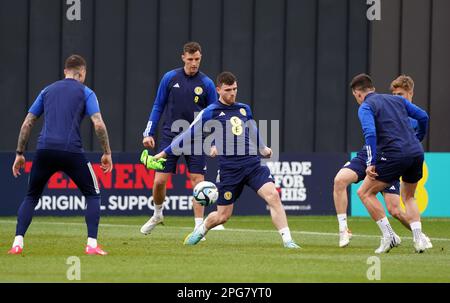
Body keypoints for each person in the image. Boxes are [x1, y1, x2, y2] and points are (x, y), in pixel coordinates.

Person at [150, 71, 300, 249]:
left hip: (252, 165)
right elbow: (187, 135)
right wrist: (164, 153)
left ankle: (288, 241)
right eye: (228, 89)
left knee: (273, 196)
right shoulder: (210, 112)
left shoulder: (244, 108)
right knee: (222, 216)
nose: (233, 93)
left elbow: (252, 129)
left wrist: (263, 147)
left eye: (235, 89)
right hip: (230, 170)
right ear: (218, 89)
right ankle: (201, 230)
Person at [8, 54, 113, 255]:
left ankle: (17, 243)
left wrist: (20, 153)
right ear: (82, 74)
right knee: (93, 194)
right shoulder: (86, 92)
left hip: (44, 150)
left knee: (31, 196)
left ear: (65, 72)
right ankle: (91, 245)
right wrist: (106, 152)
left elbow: (27, 122)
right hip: (71, 151)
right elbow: (98, 124)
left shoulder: (47, 91)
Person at [334, 75, 432, 249]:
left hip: (390, 155)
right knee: (409, 197)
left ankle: (390, 236)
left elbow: (370, 133)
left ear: (357, 94)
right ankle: (418, 240)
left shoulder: (366, 106)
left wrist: (372, 162)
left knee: (365, 193)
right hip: (414, 152)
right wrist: (418, 139)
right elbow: (424, 116)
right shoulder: (396, 101)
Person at [140, 42, 224, 236]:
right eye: (191, 59)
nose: (194, 63)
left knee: (198, 183)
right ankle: (158, 214)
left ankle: (198, 227)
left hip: (196, 138)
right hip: (170, 135)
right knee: (160, 181)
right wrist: (149, 132)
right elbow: (158, 105)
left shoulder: (207, 84)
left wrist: (213, 142)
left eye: (197, 59)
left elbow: (215, 115)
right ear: (183, 58)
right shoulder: (170, 78)